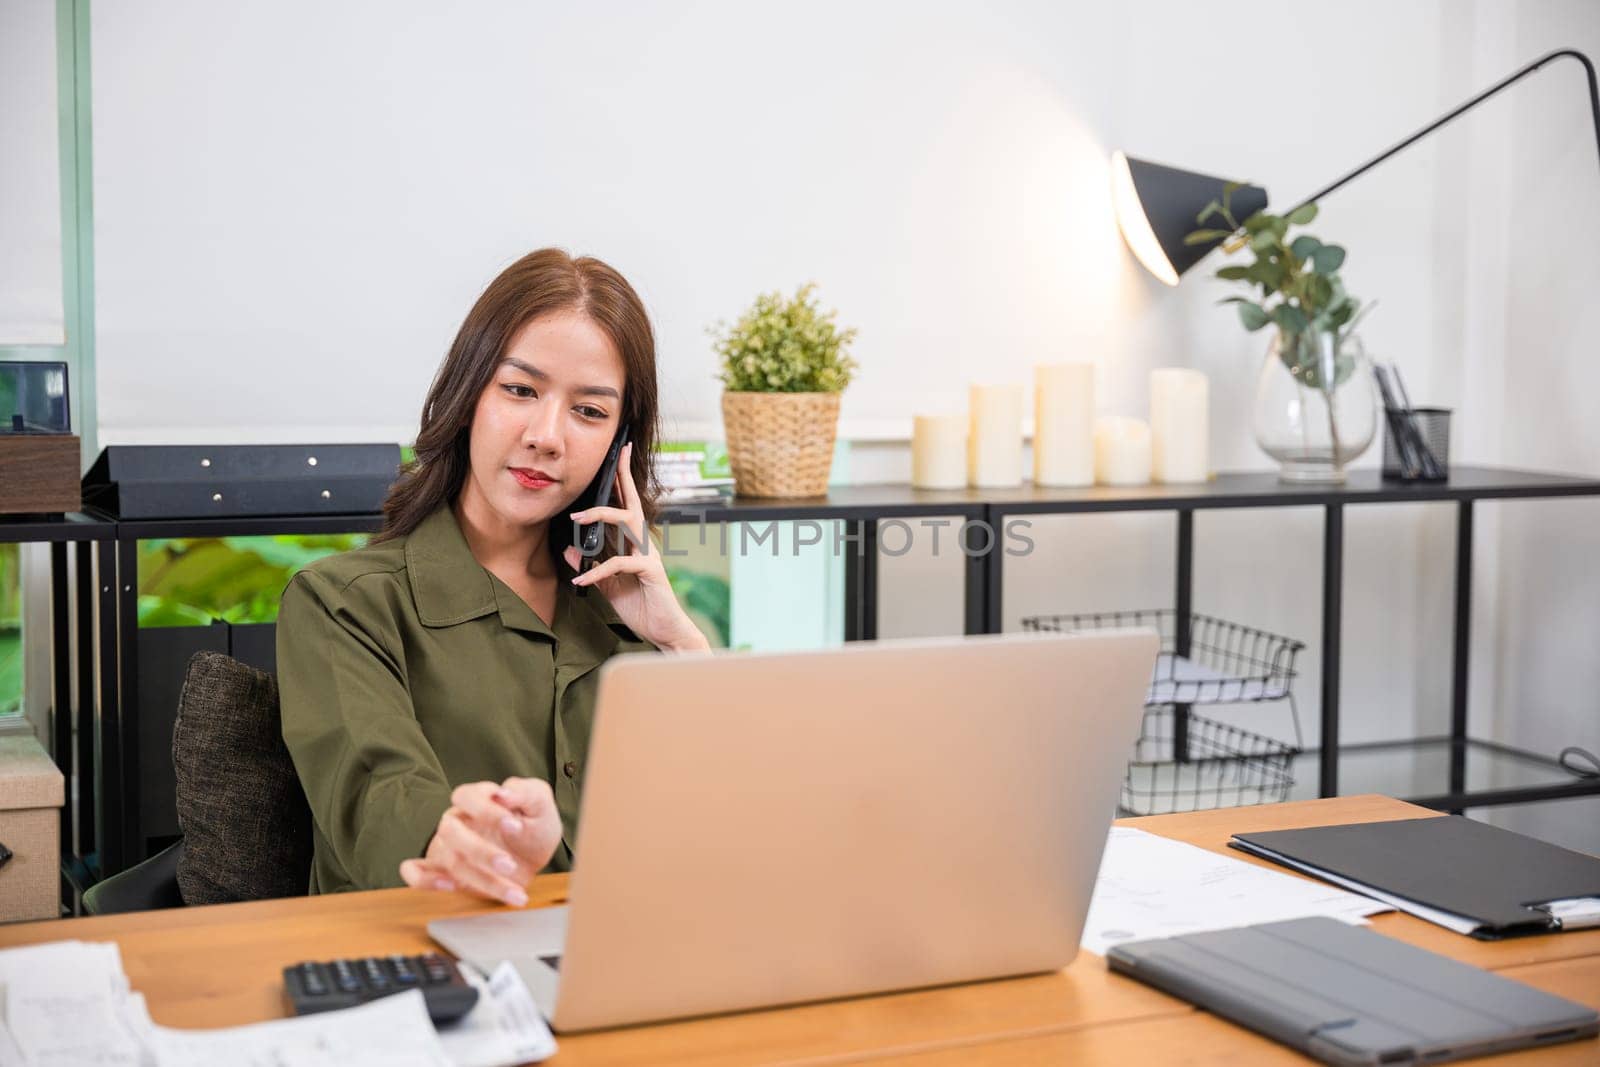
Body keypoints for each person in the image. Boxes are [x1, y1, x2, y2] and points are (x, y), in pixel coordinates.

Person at [278, 249, 711, 905]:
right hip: (426, 961)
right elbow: (376, 791)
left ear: (619, 445)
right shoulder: (346, 604)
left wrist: (682, 647)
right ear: (467, 396)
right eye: (519, 390)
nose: (547, 436)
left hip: (613, 960)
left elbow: (715, 829)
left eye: (589, 412)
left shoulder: (628, 615)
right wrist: (447, 836)